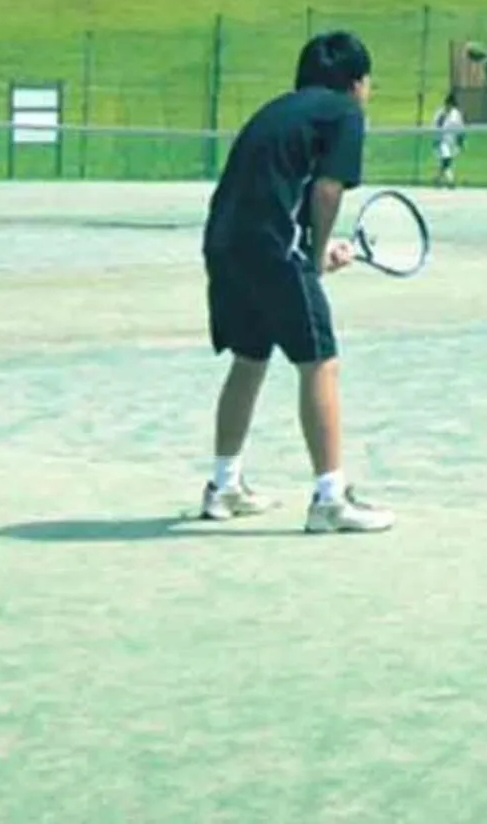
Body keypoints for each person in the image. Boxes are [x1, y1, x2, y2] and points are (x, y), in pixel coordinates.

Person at [198, 32, 393, 535]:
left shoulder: (279, 111)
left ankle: (224, 486)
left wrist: (314, 249)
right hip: (270, 248)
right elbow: (327, 190)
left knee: (250, 358)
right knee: (320, 362)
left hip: (223, 243)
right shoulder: (345, 113)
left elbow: (276, 190)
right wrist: (312, 255)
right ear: (356, 83)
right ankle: (330, 499)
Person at [432, 92, 466, 189]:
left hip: (452, 142)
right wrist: (436, 139)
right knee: (446, 160)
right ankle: (451, 181)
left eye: (451, 105)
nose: (449, 106)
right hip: (442, 141)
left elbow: (461, 128)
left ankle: (437, 179)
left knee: (446, 162)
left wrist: (461, 142)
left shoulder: (456, 114)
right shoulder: (440, 113)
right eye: (448, 104)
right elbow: (435, 126)